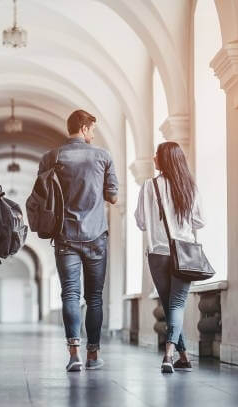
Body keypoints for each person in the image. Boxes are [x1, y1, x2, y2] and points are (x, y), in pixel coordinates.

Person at [37, 110, 119, 372]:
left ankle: (74, 354)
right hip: (96, 236)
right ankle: (93, 355)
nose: (93, 134)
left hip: (65, 236)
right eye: (92, 129)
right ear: (83, 128)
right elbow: (113, 196)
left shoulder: (51, 157)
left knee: (69, 294)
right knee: (94, 298)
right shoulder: (103, 156)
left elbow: (42, 195)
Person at [135, 141, 205, 373]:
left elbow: (141, 222)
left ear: (165, 159)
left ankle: (171, 355)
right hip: (184, 253)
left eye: (157, 154)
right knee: (175, 306)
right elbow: (199, 221)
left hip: (158, 254)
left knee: (169, 305)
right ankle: (180, 356)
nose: (154, 157)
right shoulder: (190, 187)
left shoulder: (149, 186)